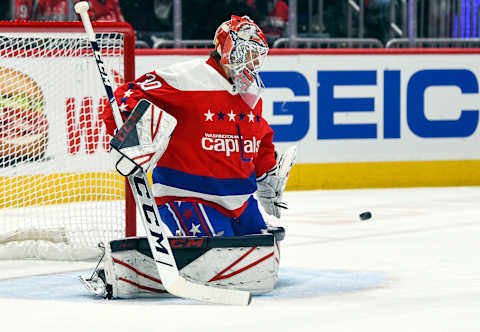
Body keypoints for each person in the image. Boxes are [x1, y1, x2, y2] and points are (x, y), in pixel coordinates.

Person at [102, 15, 287, 238]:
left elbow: (258, 137)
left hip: (240, 203)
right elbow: (125, 96)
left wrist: (266, 175)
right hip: (188, 198)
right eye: (244, 52)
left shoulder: (250, 93)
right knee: (223, 261)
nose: (251, 61)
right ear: (224, 49)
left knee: (263, 259)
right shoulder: (186, 77)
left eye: (255, 55)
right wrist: (132, 133)